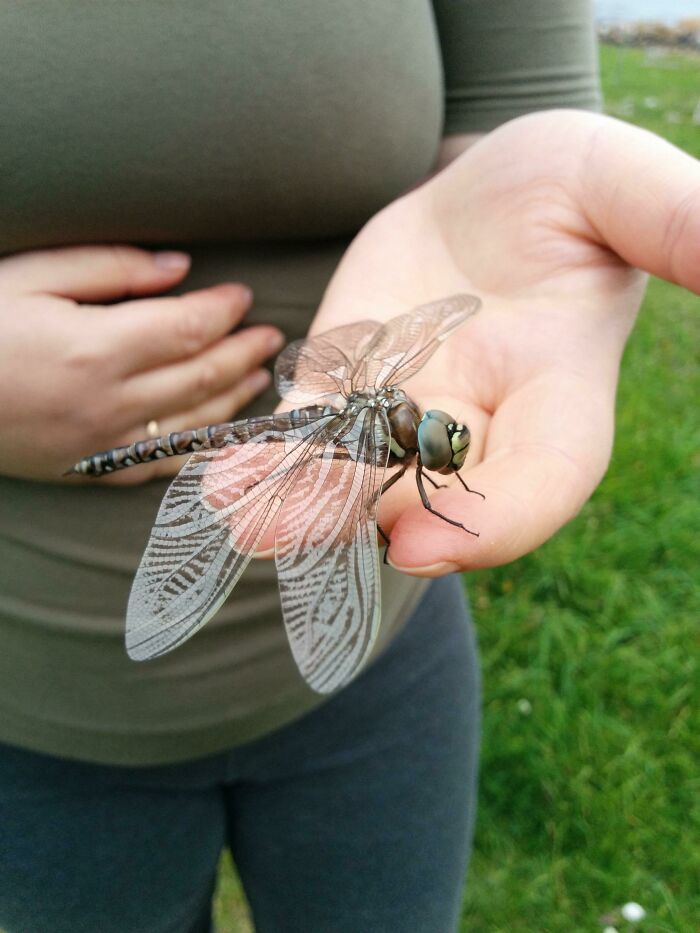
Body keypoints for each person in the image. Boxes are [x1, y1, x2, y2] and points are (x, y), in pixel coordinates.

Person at [0, 2, 698, 931]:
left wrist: (531, 166)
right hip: (33, 702)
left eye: (444, 442)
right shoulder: (373, 448)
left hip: (392, 678)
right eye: (440, 446)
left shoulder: (403, 414)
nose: (445, 446)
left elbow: (512, 104)